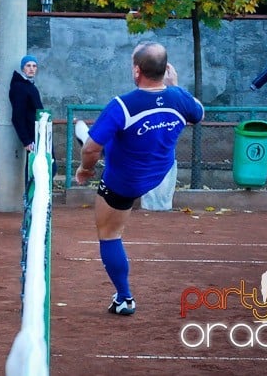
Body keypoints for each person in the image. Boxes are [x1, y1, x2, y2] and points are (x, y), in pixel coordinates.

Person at [75, 42, 204, 316]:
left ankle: (124, 298)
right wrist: (176, 87)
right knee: (123, 139)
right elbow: (198, 113)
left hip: (124, 182)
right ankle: (95, 136)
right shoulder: (180, 98)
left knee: (109, 234)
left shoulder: (123, 104)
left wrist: (85, 170)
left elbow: (90, 151)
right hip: (158, 172)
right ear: (166, 70)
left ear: (136, 71)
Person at [9, 55, 44, 154]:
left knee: (44, 165)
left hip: (39, 131)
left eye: (34, 66)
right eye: (28, 66)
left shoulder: (29, 85)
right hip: (32, 133)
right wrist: (26, 140)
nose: (31, 69)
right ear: (23, 68)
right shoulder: (19, 87)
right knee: (34, 165)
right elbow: (17, 116)